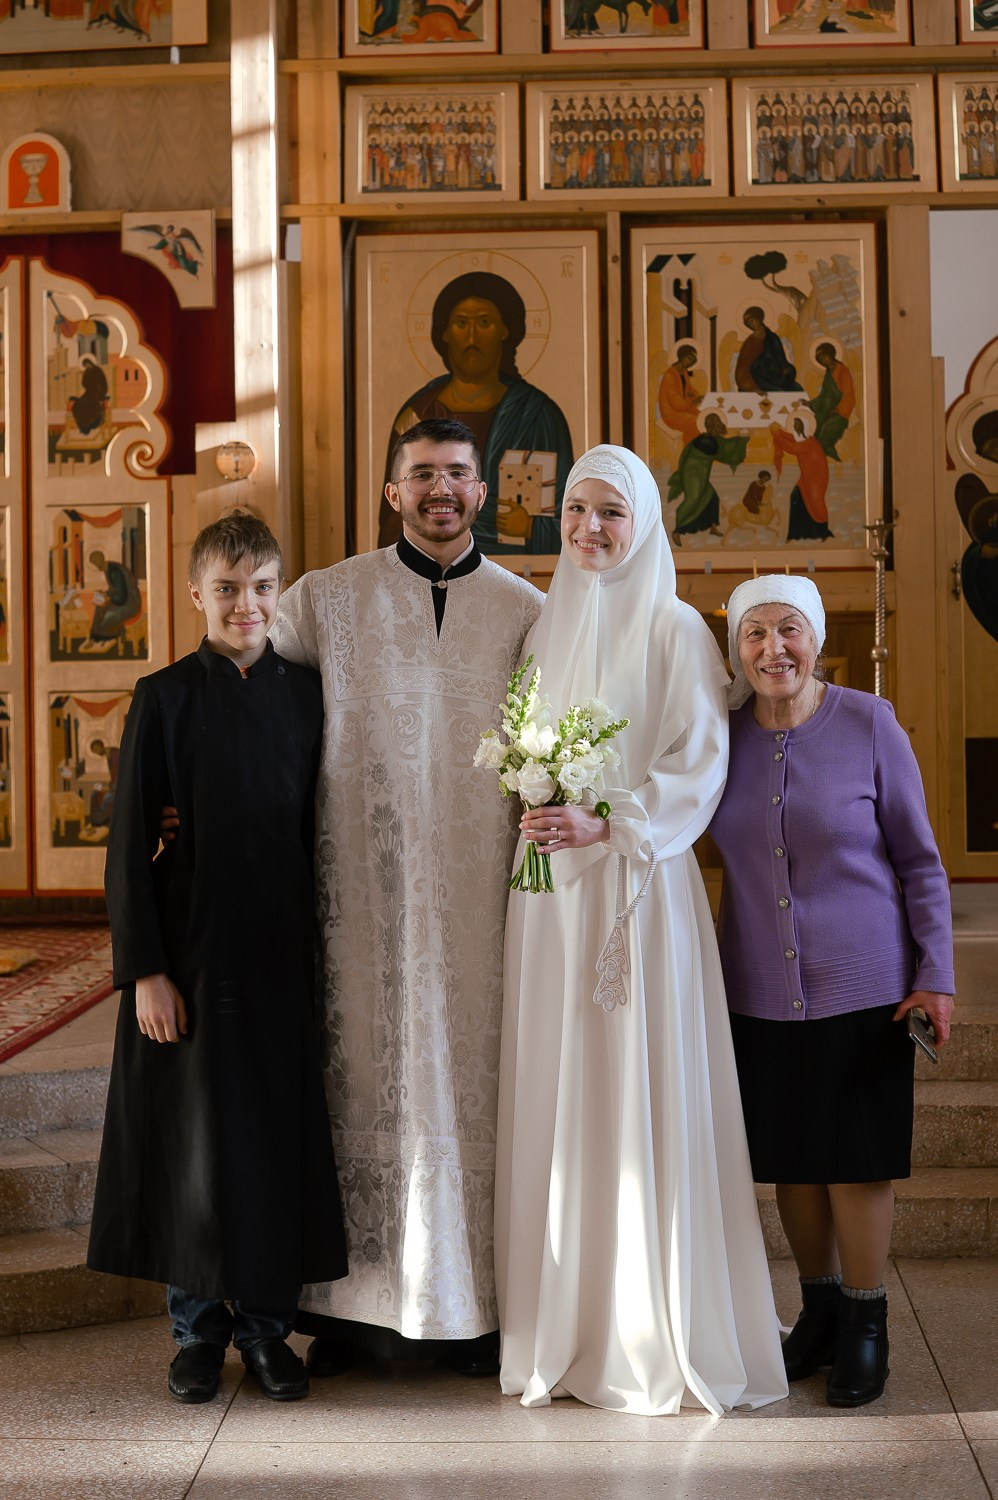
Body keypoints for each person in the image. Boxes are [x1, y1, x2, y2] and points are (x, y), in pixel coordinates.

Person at [494, 445, 788, 1416]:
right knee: (560, 1083)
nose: (589, 528)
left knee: (635, 1081)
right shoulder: (544, 628)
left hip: (636, 890)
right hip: (549, 900)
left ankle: (647, 1326)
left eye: (610, 512)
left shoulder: (674, 630)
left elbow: (699, 764)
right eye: (576, 509)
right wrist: (535, 800)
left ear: (645, 522)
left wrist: (609, 823)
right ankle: (562, 1324)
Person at [270, 418, 543, 1378]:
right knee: (359, 1075)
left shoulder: (526, 610)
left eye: (457, 474)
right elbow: (239, 688)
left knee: (477, 1086)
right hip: (360, 892)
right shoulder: (325, 599)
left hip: (482, 904)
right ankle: (353, 1313)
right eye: (421, 474)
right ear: (392, 493)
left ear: (482, 491)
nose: (440, 489)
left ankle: (480, 1311)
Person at [87, 515, 347, 1406]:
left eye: (263, 587)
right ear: (196, 592)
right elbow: (129, 847)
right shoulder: (162, 698)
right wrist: (146, 972)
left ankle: (268, 1329)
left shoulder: (309, 695)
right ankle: (197, 1331)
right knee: (191, 1142)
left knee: (271, 1140)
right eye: (228, 589)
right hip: (189, 954)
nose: (247, 605)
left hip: (280, 952)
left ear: (280, 592)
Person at [710, 575, 956, 1408]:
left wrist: (935, 975)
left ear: (815, 638)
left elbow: (920, 861)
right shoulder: (719, 735)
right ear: (736, 650)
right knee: (793, 1163)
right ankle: (815, 1315)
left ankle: (864, 1320)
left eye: (790, 629)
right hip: (756, 987)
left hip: (866, 986)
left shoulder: (869, 722)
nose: (773, 648)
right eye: (754, 633)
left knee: (853, 1164)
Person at [376, 272, 574, 555]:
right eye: (461, 323)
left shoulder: (538, 415)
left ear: (505, 330)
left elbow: (570, 520)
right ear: (445, 332)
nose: (471, 336)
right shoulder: (417, 415)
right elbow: (393, 520)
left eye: (483, 323)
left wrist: (531, 528)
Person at [667, 412, 748, 545]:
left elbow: (725, 448)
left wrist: (742, 439)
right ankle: (677, 531)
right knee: (693, 499)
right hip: (692, 474)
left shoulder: (715, 440)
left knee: (711, 497)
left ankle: (712, 527)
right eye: (715, 424)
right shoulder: (702, 441)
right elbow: (722, 451)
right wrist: (742, 440)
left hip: (701, 474)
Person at [79, 550, 141, 655]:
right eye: (94, 564)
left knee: (107, 618)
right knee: (99, 608)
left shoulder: (114, 572)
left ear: (101, 559)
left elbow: (121, 597)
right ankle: (94, 638)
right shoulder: (108, 569)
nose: (97, 566)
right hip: (122, 601)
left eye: (97, 563)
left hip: (130, 604)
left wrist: (107, 598)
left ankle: (110, 637)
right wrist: (105, 593)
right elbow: (115, 590)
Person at [735, 306, 802, 394]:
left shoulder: (772, 337)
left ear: (759, 319)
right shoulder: (750, 342)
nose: (751, 325)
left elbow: (780, 357)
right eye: (748, 324)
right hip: (757, 378)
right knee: (779, 391)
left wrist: (785, 368)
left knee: (797, 387)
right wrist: (751, 387)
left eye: (752, 321)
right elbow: (743, 366)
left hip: (774, 374)